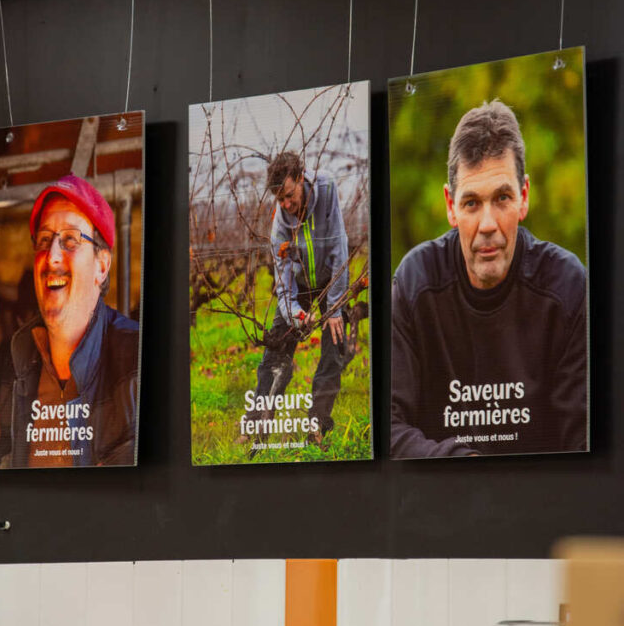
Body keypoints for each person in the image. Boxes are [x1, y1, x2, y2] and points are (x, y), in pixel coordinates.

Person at [391, 99, 587, 458]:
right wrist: (467, 467)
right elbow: (388, 429)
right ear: (450, 205)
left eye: (502, 198)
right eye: (471, 203)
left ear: (524, 197)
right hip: (441, 505)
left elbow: (585, 442)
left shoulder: (569, 288)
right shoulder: (413, 283)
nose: (487, 225)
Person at [0, 174, 140, 467]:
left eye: (70, 240)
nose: (52, 256)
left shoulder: (136, 357)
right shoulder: (16, 363)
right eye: (44, 240)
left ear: (101, 265)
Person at [251, 151, 349, 446]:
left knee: (335, 345)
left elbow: (339, 250)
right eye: (279, 199)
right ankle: (256, 427)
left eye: (290, 196)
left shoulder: (327, 189)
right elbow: (283, 281)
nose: (286, 205)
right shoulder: (279, 223)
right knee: (276, 347)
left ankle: (317, 425)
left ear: (302, 178)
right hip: (300, 283)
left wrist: (334, 308)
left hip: (330, 279)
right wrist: (294, 313)